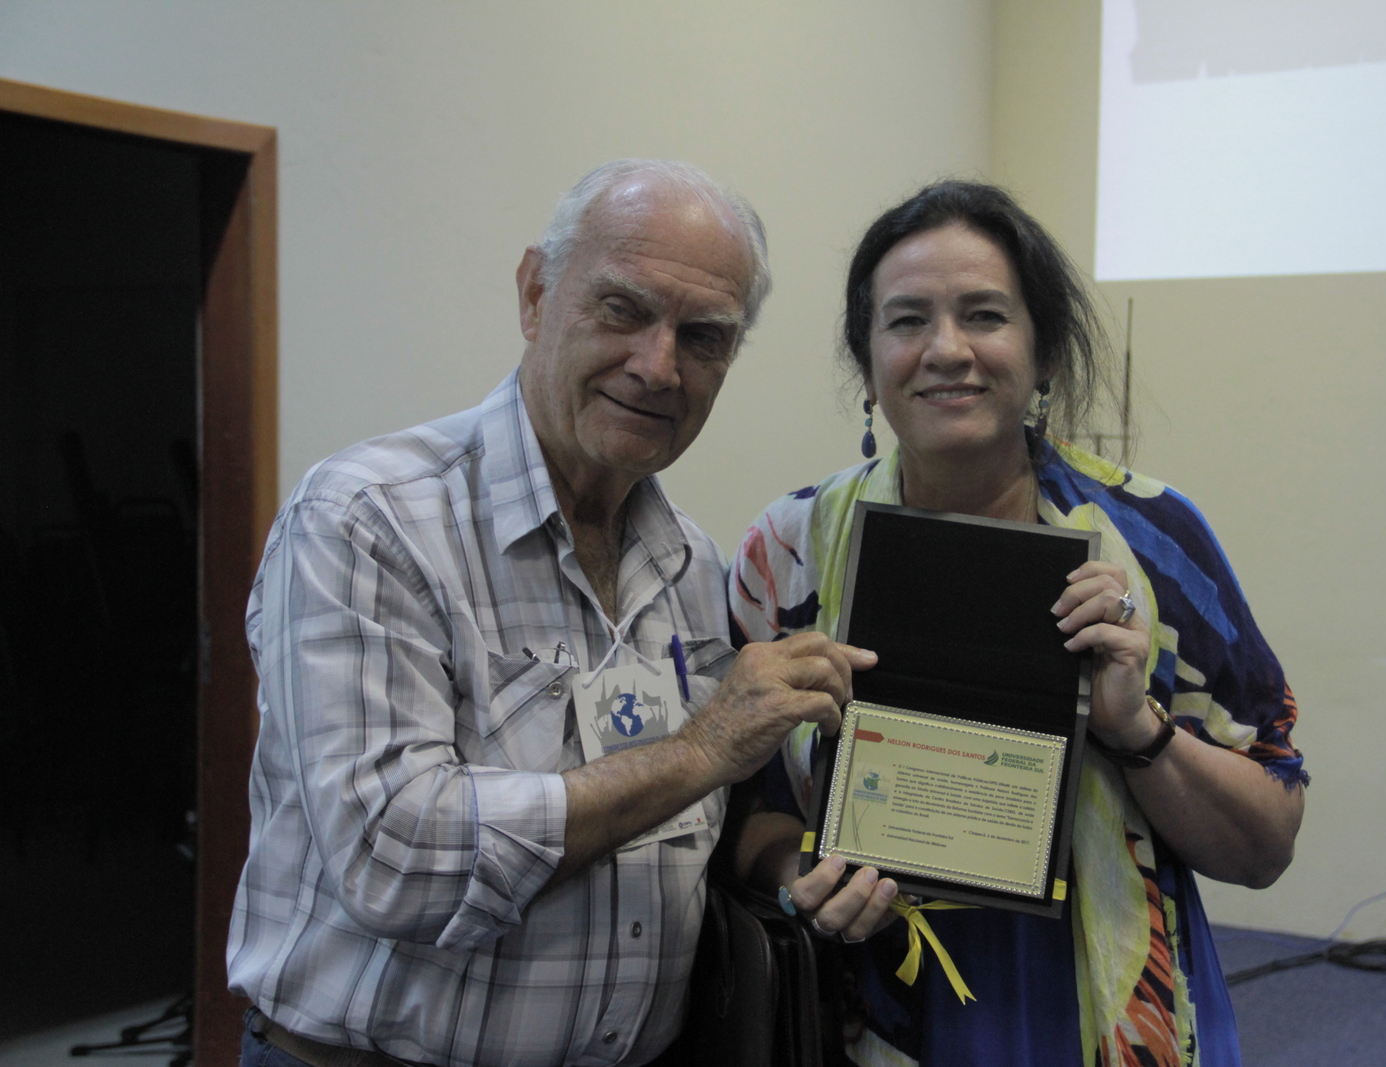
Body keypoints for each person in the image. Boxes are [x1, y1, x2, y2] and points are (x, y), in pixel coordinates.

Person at [227, 159, 876, 1067]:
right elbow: (395, 855)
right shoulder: (370, 520)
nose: (658, 365)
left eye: (703, 336)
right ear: (536, 294)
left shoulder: (689, 561)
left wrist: (789, 863)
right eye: (623, 310)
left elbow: (692, 815)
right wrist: (701, 747)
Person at [729, 180, 1307, 1067]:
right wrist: (795, 875)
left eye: (985, 315)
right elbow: (744, 812)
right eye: (907, 319)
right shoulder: (788, 551)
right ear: (868, 356)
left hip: (1099, 1015)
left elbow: (1266, 841)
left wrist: (1133, 726)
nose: (947, 350)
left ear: (1042, 353)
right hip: (871, 1009)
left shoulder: (1155, 539)